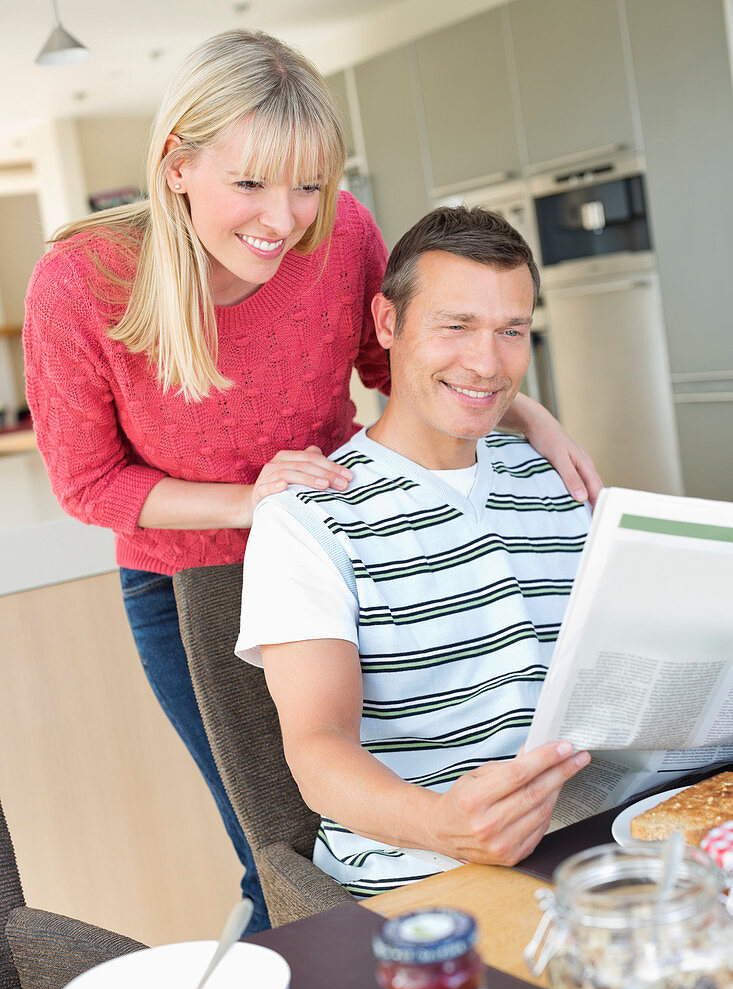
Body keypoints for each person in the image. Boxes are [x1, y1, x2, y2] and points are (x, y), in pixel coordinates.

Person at [24, 30, 598, 929]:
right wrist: (250, 501)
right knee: (276, 849)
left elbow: (398, 359)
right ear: (176, 165)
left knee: (403, 776)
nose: (284, 218)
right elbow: (88, 483)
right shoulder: (85, 280)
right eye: (249, 183)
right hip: (187, 579)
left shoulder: (340, 236)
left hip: (338, 532)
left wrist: (527, 412)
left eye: (308, 184)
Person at [236, 206, 593, 897]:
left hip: (588, 839)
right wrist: (442, 824)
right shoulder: (308, 518)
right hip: (425, 876)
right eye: (455, 326)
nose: (486, 364)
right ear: (388, 324)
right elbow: (317, 752)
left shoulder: (552, 477)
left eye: (510, 331)